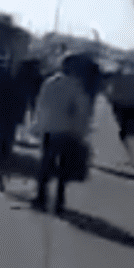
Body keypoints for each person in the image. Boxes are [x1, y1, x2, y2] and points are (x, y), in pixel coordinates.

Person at [31, 54, 101, 215]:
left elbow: (41, 105)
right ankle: (59, 202)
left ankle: (40, 198)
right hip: (67, 132)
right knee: (63, 170)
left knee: (45, 165)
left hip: (49, 130)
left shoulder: (49, 82)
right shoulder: (76, 86)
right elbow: (81, 112)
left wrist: (37, 127)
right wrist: (81, 133)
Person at [0, 54, 27, 191]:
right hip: (6, 118)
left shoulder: (2, 78)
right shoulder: (15, 80)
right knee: (3, 147)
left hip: (3, 117)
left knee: (2, 147)